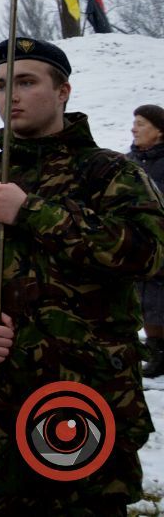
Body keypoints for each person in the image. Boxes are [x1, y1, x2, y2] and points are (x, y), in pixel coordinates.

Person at [0, 37, 164, 514]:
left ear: (63, 91)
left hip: (84, 396)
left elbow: (149, 253)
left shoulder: (108, 173)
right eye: (0, 85)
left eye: (26, 82)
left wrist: (34, 211)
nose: (9, 96)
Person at [130, 103, 164, 377]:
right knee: (145, 301)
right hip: (137, 245)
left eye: (141, 123)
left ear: (160, 132)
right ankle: (156, 352)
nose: (134, 128)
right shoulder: (128, 162)